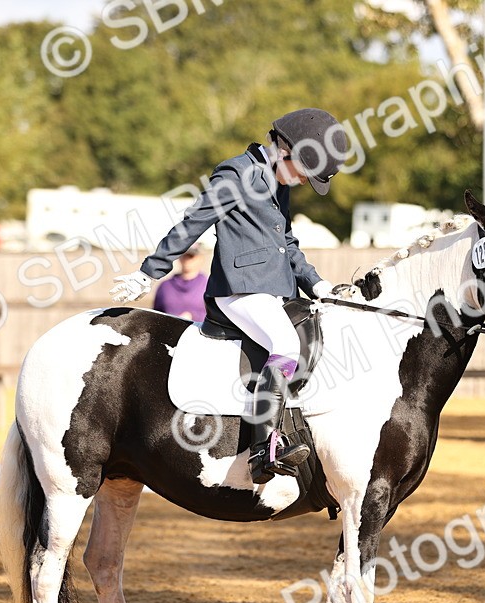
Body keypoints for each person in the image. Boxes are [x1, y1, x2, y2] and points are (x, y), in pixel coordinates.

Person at [110, 108, 352, 484]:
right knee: (286, 344)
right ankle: (265, 450)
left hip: (276, 291)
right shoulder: (235, 174)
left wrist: (317, 284)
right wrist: (149, 272)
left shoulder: (278, 181)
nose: (304, 181)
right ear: (285, 149)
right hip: (239, 290)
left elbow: (286, 241)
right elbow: (193, 224)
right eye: (304, 172)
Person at [151, 244, 208, 322]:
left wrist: (194, 316)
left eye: (191, 256)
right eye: (184, 256)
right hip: (170, 331)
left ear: (200, 259)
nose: (187, 260)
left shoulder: (208, 286)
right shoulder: (165, 286)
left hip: (198, 331)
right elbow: (155, 315)